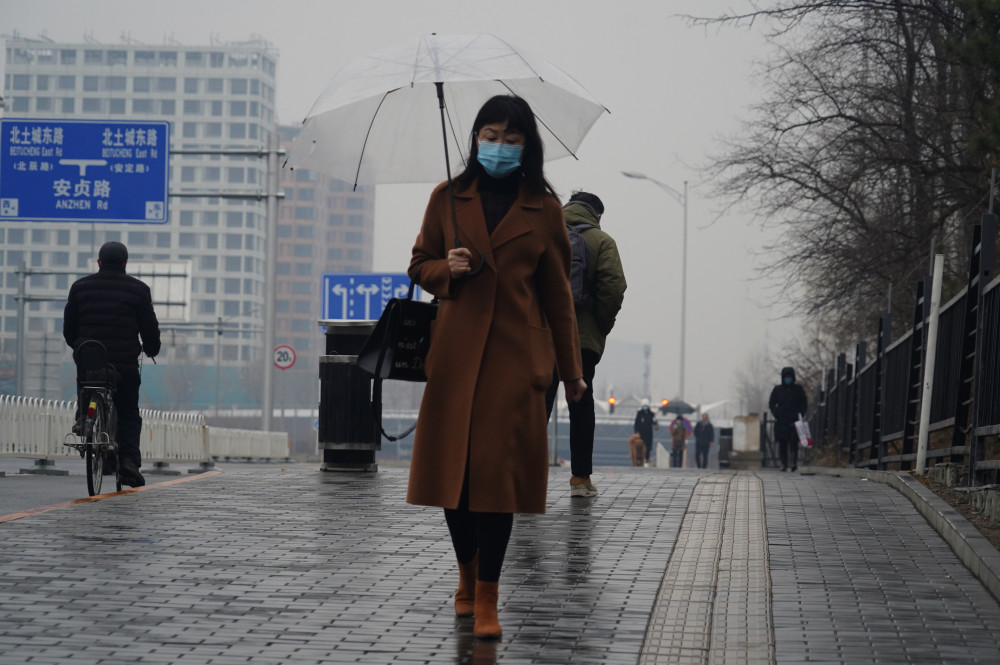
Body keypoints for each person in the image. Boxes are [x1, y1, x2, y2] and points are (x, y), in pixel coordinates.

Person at [406, 95, 586, 641]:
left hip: (514, 363)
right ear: (475, 139)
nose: (499, 147)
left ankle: (488, 596)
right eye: (490, 135)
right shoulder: (448, 198)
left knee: (495, 482)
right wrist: (447, 269)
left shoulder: (544, 209)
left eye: (511, 138)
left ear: (528, 145)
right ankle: (464, 576)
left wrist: (573, 371)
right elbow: (418, 264)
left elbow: (558, 297)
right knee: (453, 482)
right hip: (456, 357)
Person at [543, 190, 627, 497]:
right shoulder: (602, 242)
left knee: (539, 402)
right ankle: (580, 479)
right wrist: (600, 325)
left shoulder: (544, 232)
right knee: (581, 403)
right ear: (598, 214)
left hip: (541, 334)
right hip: (582, 340)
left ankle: (528, 477)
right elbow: (614, 286)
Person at [63, 241, 161, 488]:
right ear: (125, 263)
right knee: (128, 412)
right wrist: (151, 349)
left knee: (87, 379)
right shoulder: (138, 290)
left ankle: (85, 416)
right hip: (124, 363)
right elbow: (149, 328)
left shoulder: (80, 287)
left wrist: (78, 345)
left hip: (90, 358)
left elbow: (69, 329)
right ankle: (128, 462)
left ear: (99, 262)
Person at [768, 366, 808, 472]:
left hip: (794, 421)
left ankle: (793, 463)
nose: (788, 379)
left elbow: (804, 404)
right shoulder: (777, 390)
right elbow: (772, 404)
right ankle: (784, 463)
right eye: (786, 377)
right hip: (782, 421)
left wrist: (799, 414)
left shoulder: (798, 390)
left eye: (789, 376)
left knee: (794, 442)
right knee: (782, 443)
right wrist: (777, 414)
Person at [632, 399, 659, 467]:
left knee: (648, 447)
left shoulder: (651, 414)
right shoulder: (639, 413)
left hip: (648, 434)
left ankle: (646, 460)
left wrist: (656, 425)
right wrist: (636, 432)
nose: (645, 407)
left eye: (646, 406)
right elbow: (636, 424)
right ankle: (638, 460)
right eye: (644, 406)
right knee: (639, 447)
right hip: (640, 434)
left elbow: (655, 422)